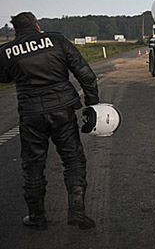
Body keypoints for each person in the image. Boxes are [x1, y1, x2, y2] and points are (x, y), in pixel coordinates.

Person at [0, 12, 98, 230]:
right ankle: (77, 213)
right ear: (37, 25)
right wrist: (92, 104)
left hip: (31, 115)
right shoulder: (57, 40)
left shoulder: (7, 51)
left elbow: (4, 77)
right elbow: (86, 74)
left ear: (16, 30)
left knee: (33, 165)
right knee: (73, 160)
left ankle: (36, 217)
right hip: (63, 110)